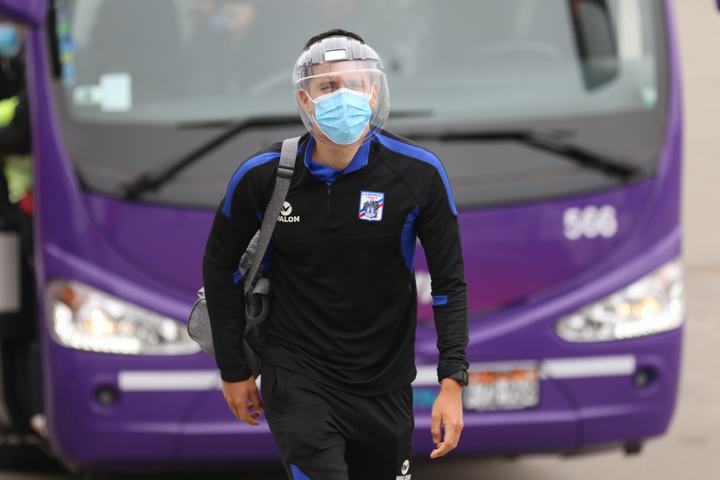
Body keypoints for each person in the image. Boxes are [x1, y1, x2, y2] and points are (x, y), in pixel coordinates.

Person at [202, 29, 469, 480]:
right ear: (305, 99)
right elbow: (219, 265)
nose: (342, 96)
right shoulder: (263, 176)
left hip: (385, 385)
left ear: (373, 92)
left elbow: (448, 283)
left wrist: (452, 381)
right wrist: (234, 369)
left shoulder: (419, 174)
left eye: (353, 83)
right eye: (327, 86)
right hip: (298, 377)